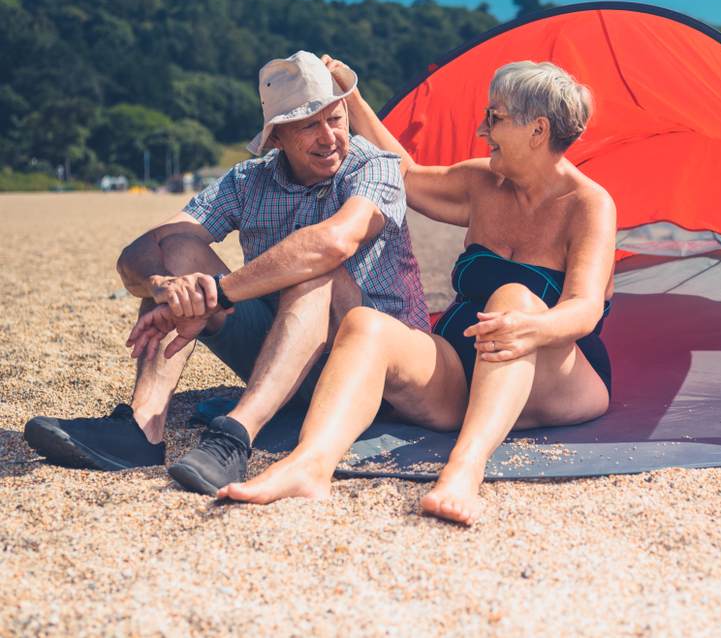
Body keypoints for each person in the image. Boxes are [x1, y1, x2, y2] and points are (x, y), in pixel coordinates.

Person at [136, 59, 616, 525]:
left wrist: (533, 326)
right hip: (464, 363)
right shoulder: (481, 184)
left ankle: (464, 470)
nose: (481, 129)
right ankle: (311, 465)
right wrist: (354, 97)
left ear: (538, 131)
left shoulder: (588, 204)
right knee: (366, 325)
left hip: (551, 369)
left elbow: (585, 309)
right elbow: (402, 174)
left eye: (495, 118)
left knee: (513, 295)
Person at [23, 51, 427, 495]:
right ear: (276, 139)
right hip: (288, 355)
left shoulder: (375, 166)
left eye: (336, 118)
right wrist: (164, 287)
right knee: (177, 253)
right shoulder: (247, 181)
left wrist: (218, 292)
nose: (329, 136)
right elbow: (142, 249)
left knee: (314, 271)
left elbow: (334, 242)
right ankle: (141, 428)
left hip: (376, 365)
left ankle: (235, 436)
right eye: (310, 125)